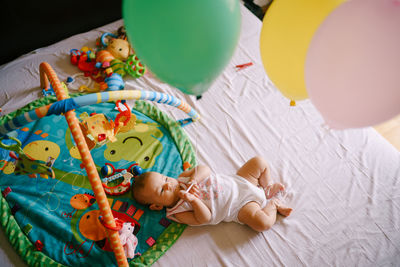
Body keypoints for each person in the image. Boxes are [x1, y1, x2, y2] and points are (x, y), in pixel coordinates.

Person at [131, 156, 292, 232]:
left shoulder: (182, 179)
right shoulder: (177, 213)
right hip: (240, 207)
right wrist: (193, 200)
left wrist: (194, 179)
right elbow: (205, 218)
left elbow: (205, 169)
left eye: (165, 178)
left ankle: (268, 187)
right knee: (262, 223)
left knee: (259, 162)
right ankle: (273, 204)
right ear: (157, 205)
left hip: (240, 182)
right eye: (161, 190)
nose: (168, 184)